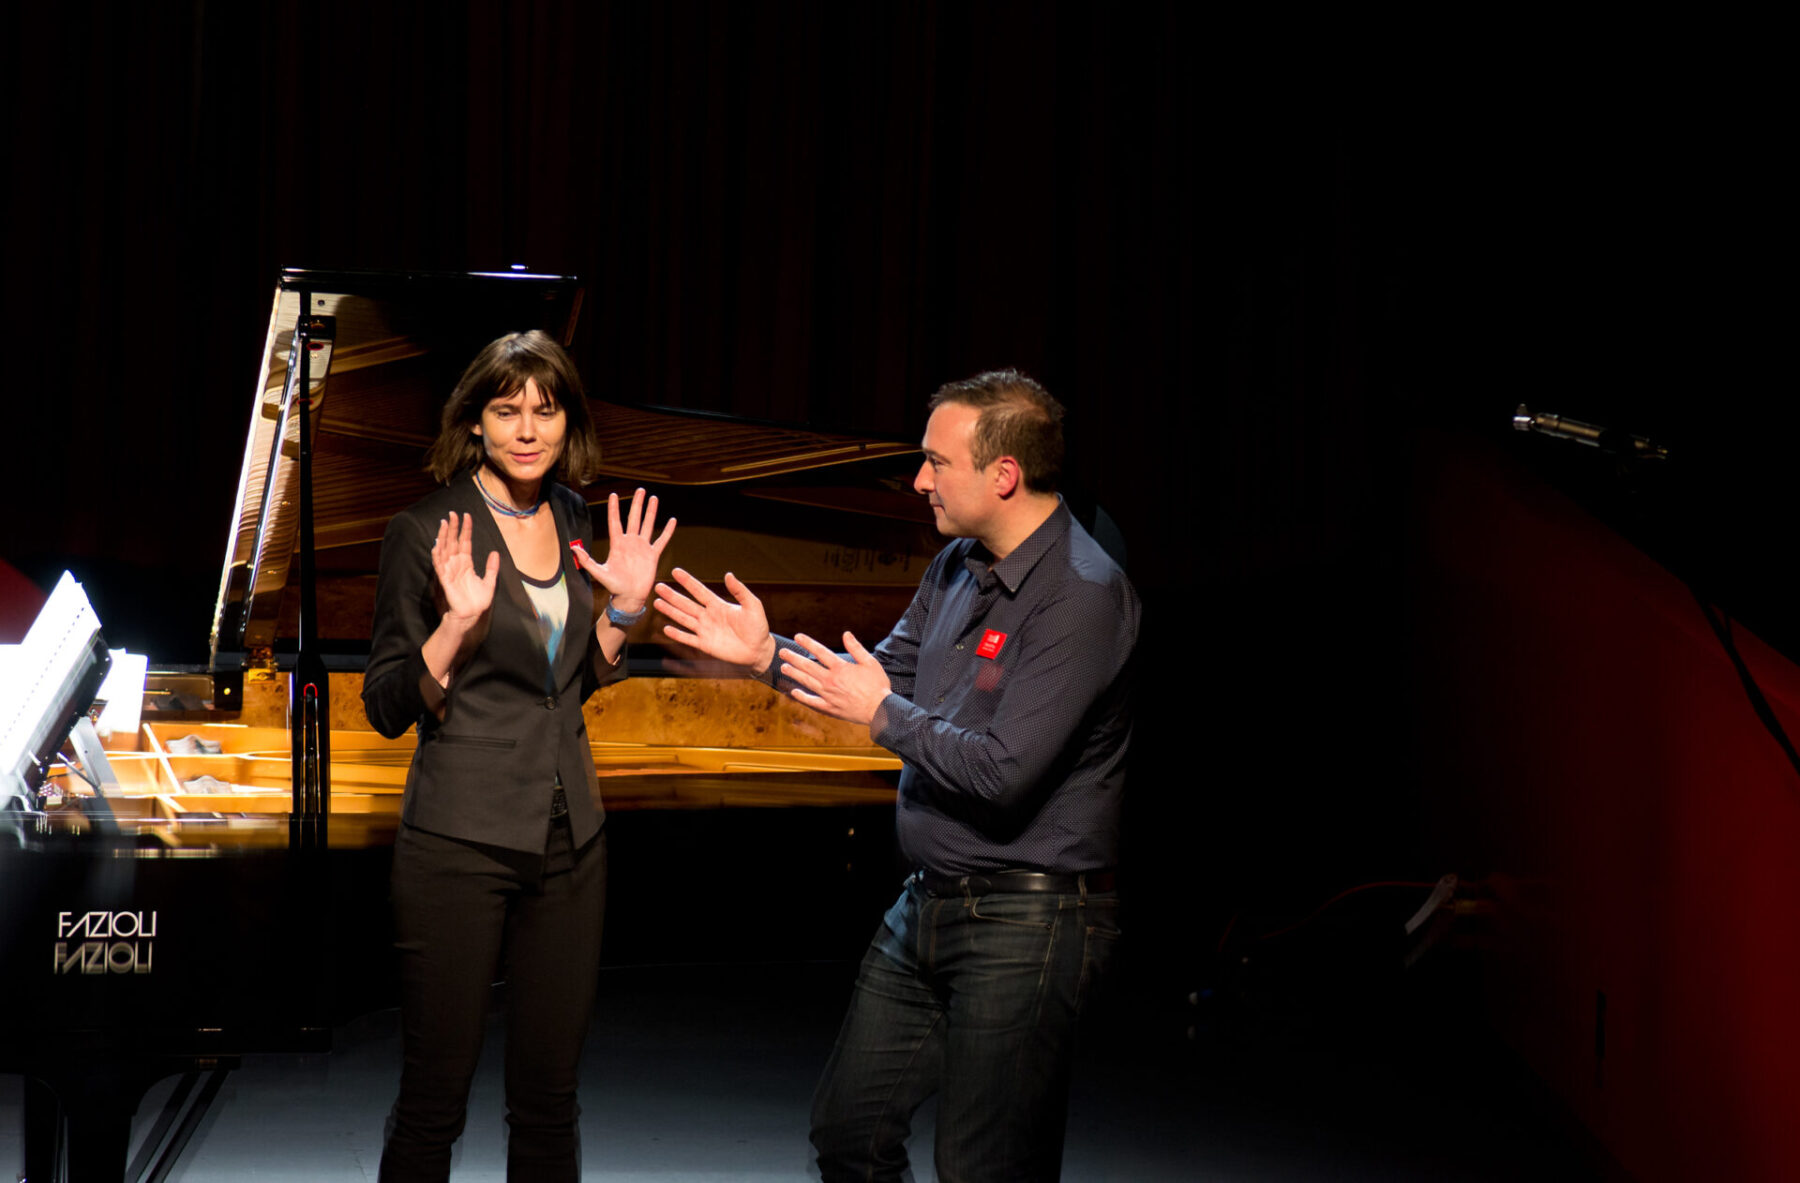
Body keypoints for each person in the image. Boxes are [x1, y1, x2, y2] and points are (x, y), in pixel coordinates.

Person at [653, 369, 1138, 1182]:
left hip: (1029, 917)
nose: (918, 480)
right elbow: (879, 678)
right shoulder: (954, 565)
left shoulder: (1083, 596)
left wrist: (884, 713)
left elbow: (1004, 772)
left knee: (983, 1165)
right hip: (930, 899)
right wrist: (765, 655)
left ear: (1003, 474)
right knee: (849, 1129)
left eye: (935, 462)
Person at [362, 329, 674, 1182]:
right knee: (435, 1098)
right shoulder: (424, 529)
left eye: (546, 409)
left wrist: (624, 613)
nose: (528, 429)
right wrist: (455, 626)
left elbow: (565, 684)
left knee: (549, 1098)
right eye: (506, 411)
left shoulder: (577, 520)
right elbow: (385, 703)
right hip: (457, 844)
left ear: (569, 422)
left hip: (573, 843)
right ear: (474, 425)